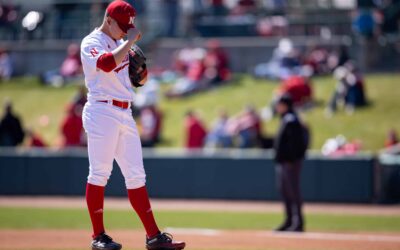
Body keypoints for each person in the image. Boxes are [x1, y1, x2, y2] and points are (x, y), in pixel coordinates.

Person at [80, 1, 185, 250]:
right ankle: (98, 236)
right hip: (101, 110)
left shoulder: (120, 43)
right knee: (99, 173)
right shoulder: (91, 42)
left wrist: (140, 75)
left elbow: (132, 76)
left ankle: (153, 236)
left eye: (129, 27)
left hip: (125, 112)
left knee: (136, 175)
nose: (126, 31)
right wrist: (128, 44)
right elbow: (106, 64)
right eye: (123, 26)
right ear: (108, 19)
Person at [273, 94, 308, 232]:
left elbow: (296, 143)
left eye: (279, 104)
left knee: (293, 192)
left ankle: (297, 221)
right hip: (283, 161)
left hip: (290, 162)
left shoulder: (291, 120)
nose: (277, 107)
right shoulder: (286, 119)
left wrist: (291, 159)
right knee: (285, 191)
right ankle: (289, 221)